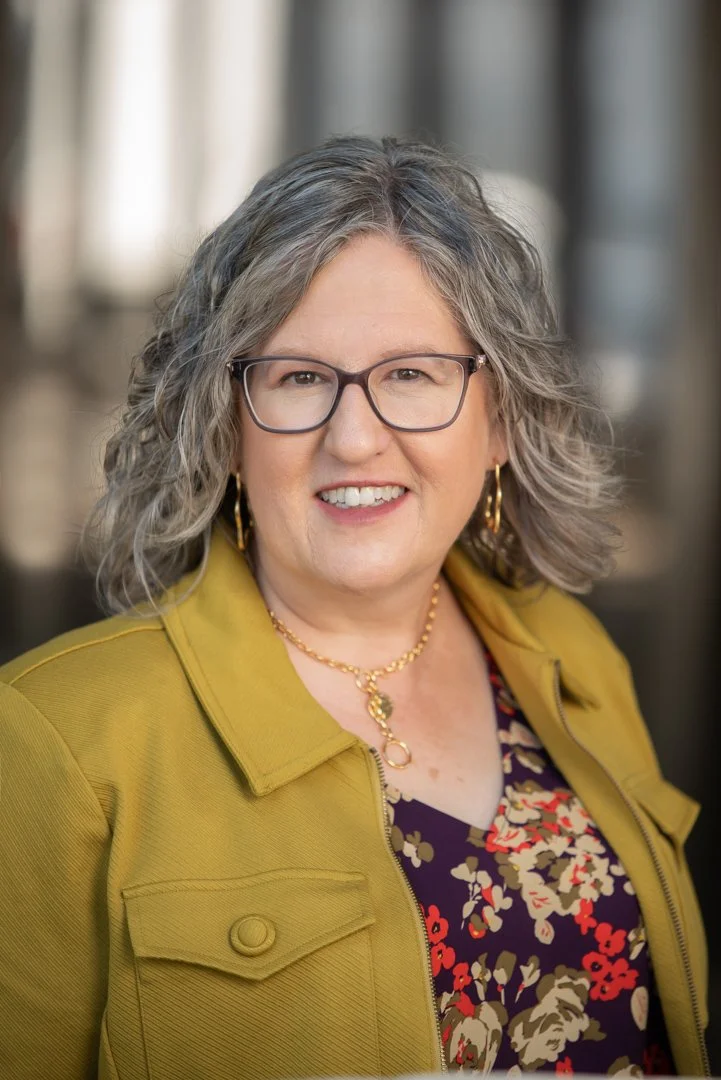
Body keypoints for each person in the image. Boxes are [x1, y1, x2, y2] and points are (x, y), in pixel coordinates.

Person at [0, 135, 708, 1079]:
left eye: (411, 374)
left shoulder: (568, 654)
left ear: (499, 420)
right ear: (225, 427)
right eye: (299, 379)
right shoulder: (53, 738)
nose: (356, 435)